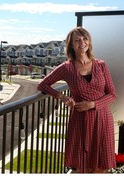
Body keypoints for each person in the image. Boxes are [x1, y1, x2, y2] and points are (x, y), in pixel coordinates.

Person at [37, 26, 116, 173]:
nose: (82, 43)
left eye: (85, 39)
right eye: (77, 40)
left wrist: (92, 104)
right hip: (80, 121)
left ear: (89, 42)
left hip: (103, 119)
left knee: (101, 167)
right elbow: (42, 85)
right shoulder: (67, 67)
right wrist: (62, 96)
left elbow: (112, 94)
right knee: (82, 166)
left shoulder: (101, 65)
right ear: (71, 45)